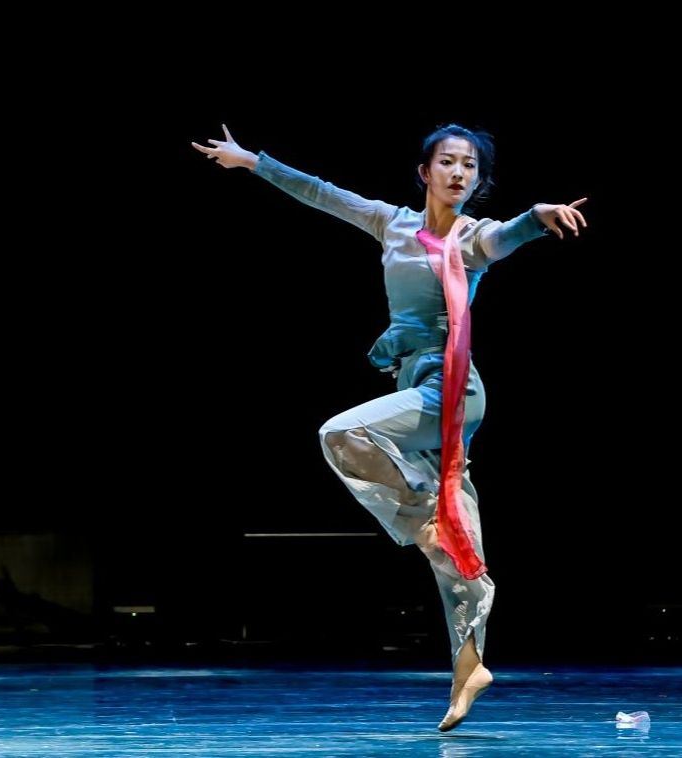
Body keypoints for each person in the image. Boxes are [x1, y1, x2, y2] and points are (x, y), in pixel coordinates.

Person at [191, 123, 586, 731]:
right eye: (448, 162)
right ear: (425, 172)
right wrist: (252, 162)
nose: (459, 173)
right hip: (414, 385)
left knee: (340, 434)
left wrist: (536, 217)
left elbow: (506, 236)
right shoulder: (390, 223)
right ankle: (469, 668)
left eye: (470, 166)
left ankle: (421, 524)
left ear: (478, 180)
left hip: (451, 390)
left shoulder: (471, 239)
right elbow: (321, 192)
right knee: (456, 536)